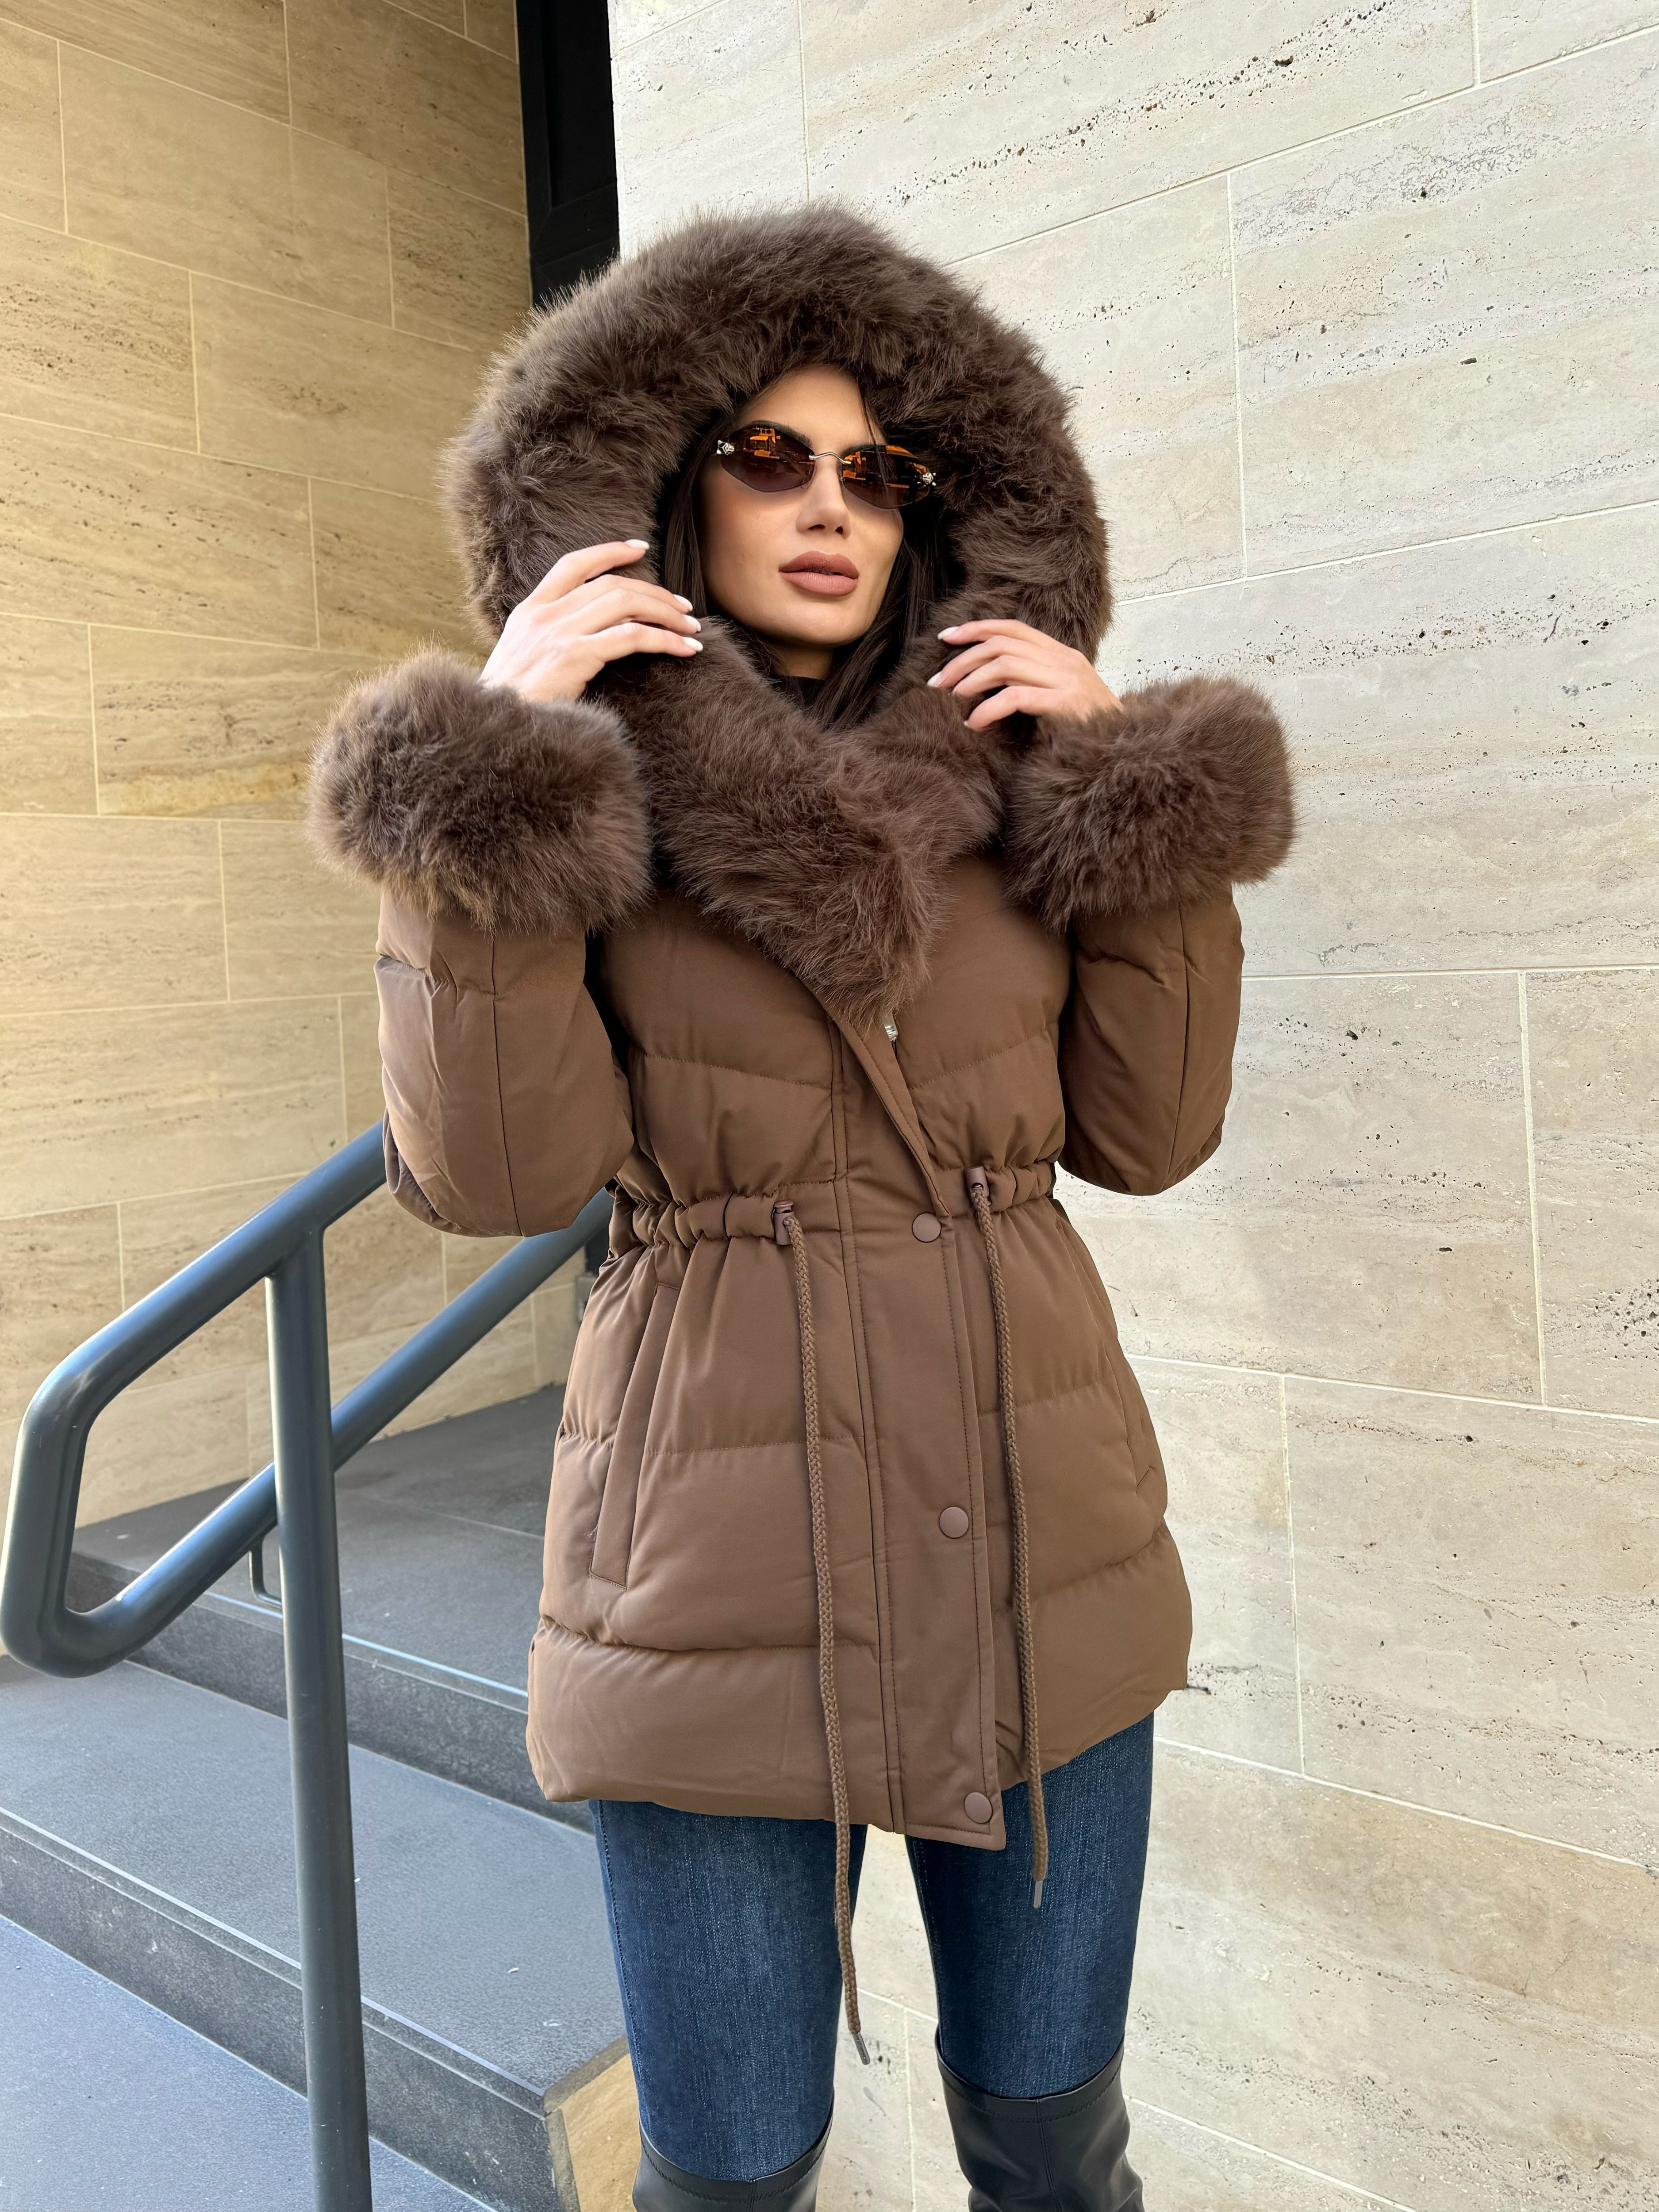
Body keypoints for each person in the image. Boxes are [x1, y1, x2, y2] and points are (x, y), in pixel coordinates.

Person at [309, 202, 1297, 2211]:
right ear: (677, 482)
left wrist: (1123, 793)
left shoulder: (1015, 769)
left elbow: (1151, 1129)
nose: (830, 503)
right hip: (712, 1582)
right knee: (731, 2174)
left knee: (1056, 2151)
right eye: (771, 456)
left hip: (1042, 1545)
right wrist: (494, 782)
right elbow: (496, 1174)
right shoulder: (583, 783)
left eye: (879, 466)